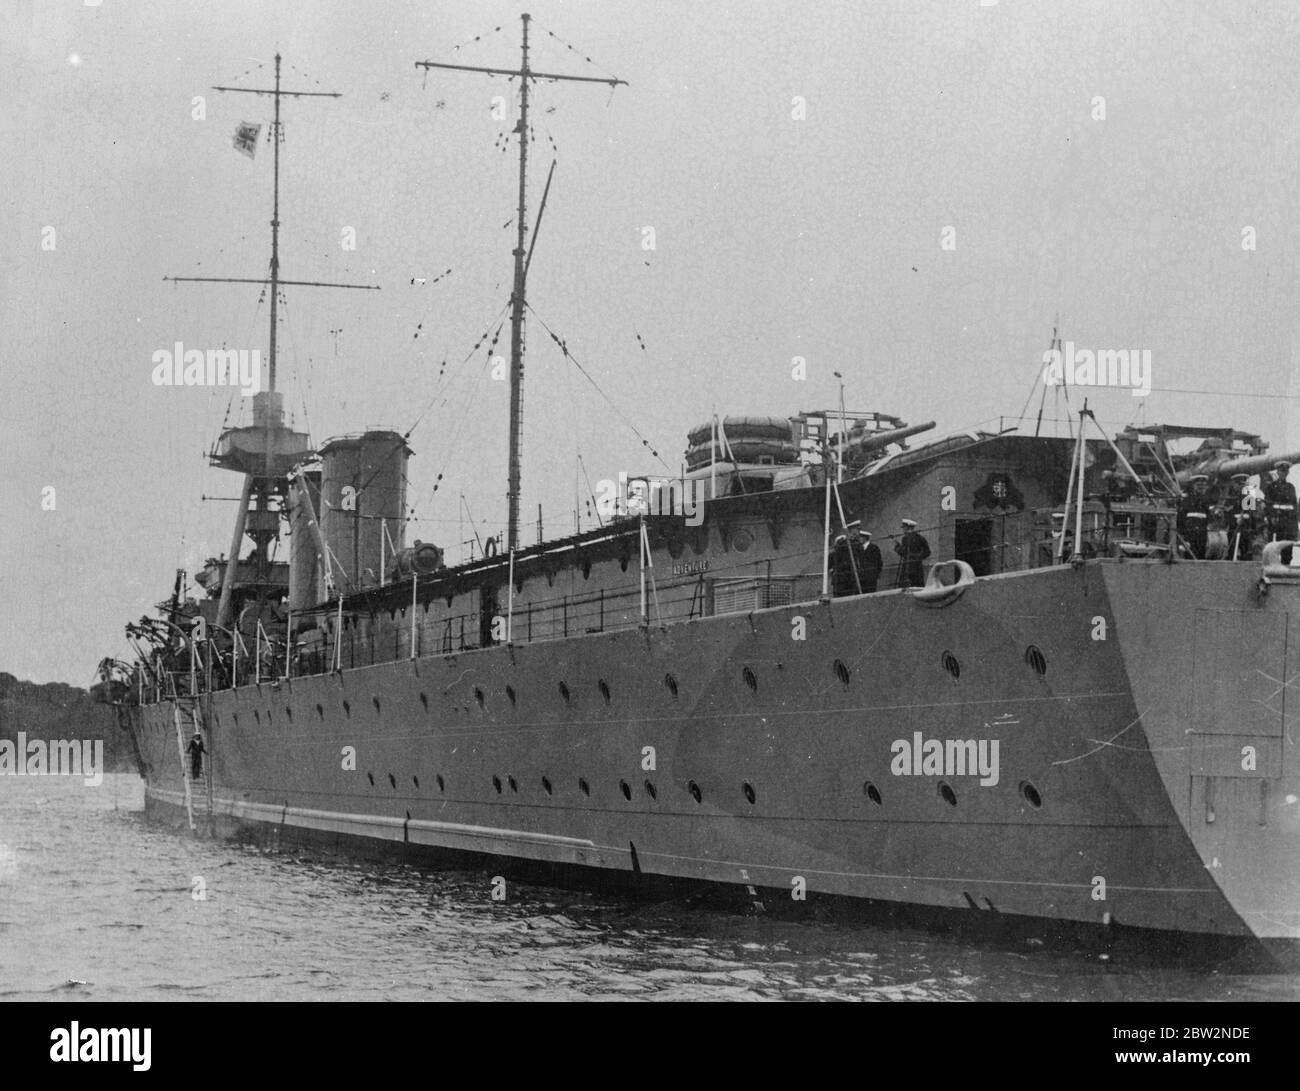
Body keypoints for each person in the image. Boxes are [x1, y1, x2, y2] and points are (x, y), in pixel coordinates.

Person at [1264, 459, 1298, 565]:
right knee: (1274, 547)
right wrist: (1272, 517)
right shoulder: (1271, 487)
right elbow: (1268, 504)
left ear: (1287, 473)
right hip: (1276, 522)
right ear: (1278, 472)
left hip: (1288, 523)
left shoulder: (1291, 487)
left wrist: (1295, 527)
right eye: (1281, 471)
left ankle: (1285, 567)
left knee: (1287, 549)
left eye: (1285, 471)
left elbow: (1294, 506)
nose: (1283, 473)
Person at [1176, 475, 1211, 558]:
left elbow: (1207, 518)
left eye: (1203, 485)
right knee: (1189, 557)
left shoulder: (1206, 500)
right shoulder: (1186, 500)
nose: (1201, 487)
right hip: (1189, 535)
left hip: (1202, 535)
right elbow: (1180, 520)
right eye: (1198, 485)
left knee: (1201, 556)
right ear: (1193, 485)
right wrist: (1183, 537)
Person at [895, 518, 931, 588]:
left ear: (907, 528)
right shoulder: (920, 538)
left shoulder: (905, 538)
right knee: (917, 585)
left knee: (906, 586)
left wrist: (897, 547)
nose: (903, 530)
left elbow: (903, 552)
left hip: (907, 566)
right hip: (917, 567)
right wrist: (918, 557)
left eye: (904, 528)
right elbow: (927, 552)